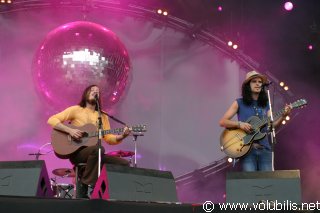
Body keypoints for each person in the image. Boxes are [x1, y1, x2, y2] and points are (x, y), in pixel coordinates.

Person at [48, 84, 130, 198]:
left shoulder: (102, 116)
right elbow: (52, 120)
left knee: (124, 164)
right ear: (85, 94)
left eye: (97, 91)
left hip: (95, 153)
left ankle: (110, 193)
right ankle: (85, 185)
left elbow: (109, 138)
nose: (95, 92)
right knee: (99, 149)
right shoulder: (76, 110)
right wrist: (70, 131)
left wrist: (123, 136)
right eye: (92, 90)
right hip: (77, 152)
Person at [219, 71, 291, 171]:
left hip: (265, 149)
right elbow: (222, 121)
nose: (258, 84)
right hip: (247, 149)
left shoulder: (266, 104)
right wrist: (240, 124)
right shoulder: (239, 102)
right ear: (248, 85)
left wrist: (283, 116)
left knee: (268, 183)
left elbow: (271, 127)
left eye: (260, 82)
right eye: (254, 81)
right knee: (250, 183)